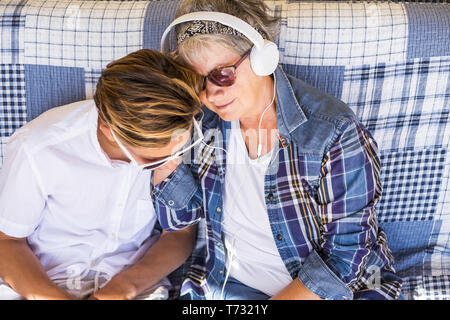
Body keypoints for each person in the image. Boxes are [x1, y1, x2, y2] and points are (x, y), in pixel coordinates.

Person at [153, 0, 403, 300]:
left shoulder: (333, 132)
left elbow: (346, 258)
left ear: (262, 57)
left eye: (222, 74)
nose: (212, 94)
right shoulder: (200, 125)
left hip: (337, 292)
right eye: (197, 80)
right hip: (229, 289)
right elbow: (181, 223)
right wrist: (163, 159)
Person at [0, 49, 204, 300]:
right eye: (152, 161)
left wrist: (125, 287)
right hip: (43, 283)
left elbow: (179, 233)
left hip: (136, 287)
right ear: (109, 130)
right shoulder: (36, 148)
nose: (170, 163)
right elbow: (8, 242)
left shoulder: (170, 131)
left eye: (180, 145)